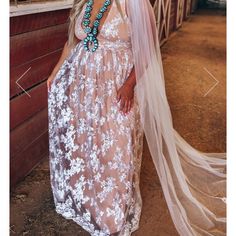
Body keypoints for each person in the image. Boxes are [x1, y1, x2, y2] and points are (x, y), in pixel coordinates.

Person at [47, 0, 226, 235]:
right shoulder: (85, 2)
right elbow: (72, 43)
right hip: (83, 88)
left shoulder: (133, 3)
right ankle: (87, 202)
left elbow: (147, 49)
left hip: (116, 87)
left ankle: (112, 214)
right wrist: (54, 73)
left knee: (115, 147)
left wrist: (130, 85)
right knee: (87, 146)